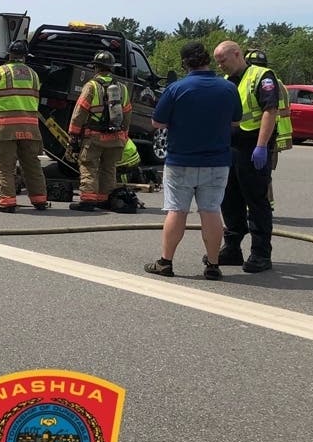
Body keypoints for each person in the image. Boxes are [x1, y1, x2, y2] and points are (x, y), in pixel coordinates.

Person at [144, 42, 242, 280]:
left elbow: (158, 122)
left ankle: (165, 262)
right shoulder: (228, 88)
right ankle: (213, 265)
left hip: (181, 161)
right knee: (211, 211)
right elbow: (236, 123)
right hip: (217, 161)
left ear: (185, 63)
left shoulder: (177, 88)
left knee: (177, 210)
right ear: (208, 59)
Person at [213, 40, 279, 273]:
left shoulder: (262, 76)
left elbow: (270, 111)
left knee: (256, 201)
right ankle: (232, 249)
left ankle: (261, 254)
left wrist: (261, 146)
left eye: (223, 61)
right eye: (218, 62)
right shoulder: (226, 81)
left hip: (253, 148)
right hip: (231, 148)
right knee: (229, 200)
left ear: (237, 54)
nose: (221, 66)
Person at [0, 39, 49, 213]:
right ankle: (40, 201)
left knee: (3, 165)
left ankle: (7, 203)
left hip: (5, 127)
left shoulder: (1, 72)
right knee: (32, 165)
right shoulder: (33, 75)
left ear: (9, 54)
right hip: (30, 128)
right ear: (25, 56)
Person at [67, 51, 132, 211]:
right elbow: (127, 114)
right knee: (109, 168)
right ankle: (105, 199)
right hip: (116, 137)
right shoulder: (122, 88)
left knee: (89, 166)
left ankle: (88, 200)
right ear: (111, 68)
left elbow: (79, 113)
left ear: (95, 68)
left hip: (94, 137)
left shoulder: (92, 86)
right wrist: (124, 136)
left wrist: (73, 135)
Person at [245, 49, 291, 209]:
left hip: (268, 135)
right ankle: (262, 203)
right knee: (261, 173)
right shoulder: (276, 82)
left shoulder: (269, 82)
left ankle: (264, 204)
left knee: (262, 174)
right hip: (269, 134)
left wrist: (267, 114)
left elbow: (283, 110)